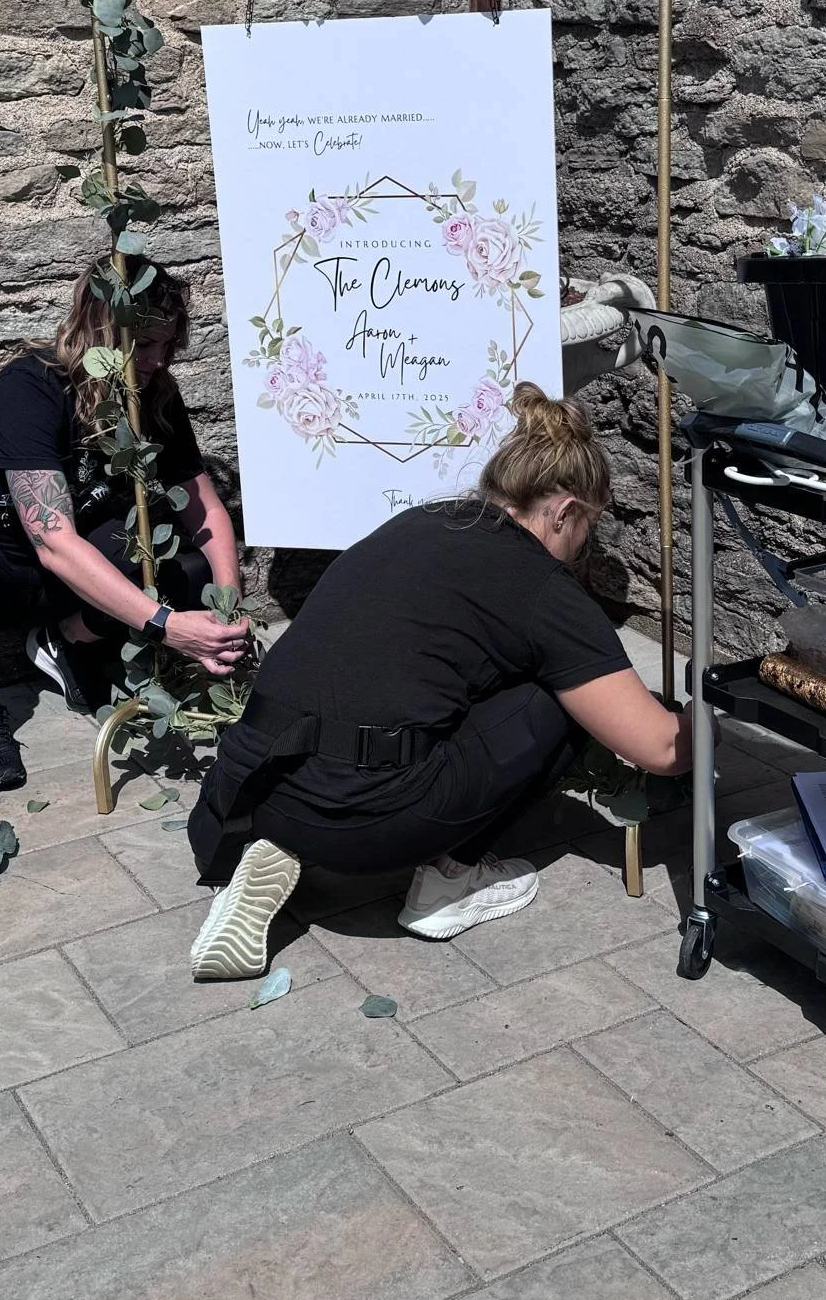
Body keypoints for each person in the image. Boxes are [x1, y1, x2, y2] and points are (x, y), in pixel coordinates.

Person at [185, 383, 692, 979]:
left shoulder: (421, 521)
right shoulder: (539, 587)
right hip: (366, 827)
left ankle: (274, 848)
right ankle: (450, 881)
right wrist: (710, 722)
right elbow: (660, 749)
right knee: (561, 699)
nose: (584, 547)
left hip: (254, 783)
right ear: (565, 512)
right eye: (589, 528)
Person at [0, 261, 247, 790]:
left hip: (74, 580)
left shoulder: (156, 396)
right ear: (102, 331)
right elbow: (53, 540)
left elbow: (205, 509)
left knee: (174, 551)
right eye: (143, 346)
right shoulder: (29, 389)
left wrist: (228, 609)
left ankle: (68, 639)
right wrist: (167, 626)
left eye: (167, 347)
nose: (156, 362)